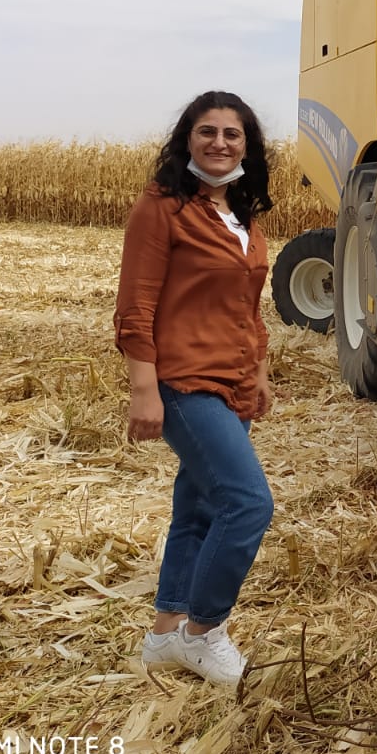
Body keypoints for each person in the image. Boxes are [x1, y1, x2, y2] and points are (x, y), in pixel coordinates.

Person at [115, 91, 276, 684]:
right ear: (187, 139)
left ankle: (163, 634)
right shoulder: (162, 208)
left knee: (200, 506)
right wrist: (143, 390)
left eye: (232, 135)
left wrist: (257, 371)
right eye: (207, 132)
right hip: (182, 380)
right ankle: (204, 631)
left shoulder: (242, 215)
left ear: (246, 145)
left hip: (232, 378)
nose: (219, 143)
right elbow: (135, 305)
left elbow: (249, 306)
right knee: (249, 503)